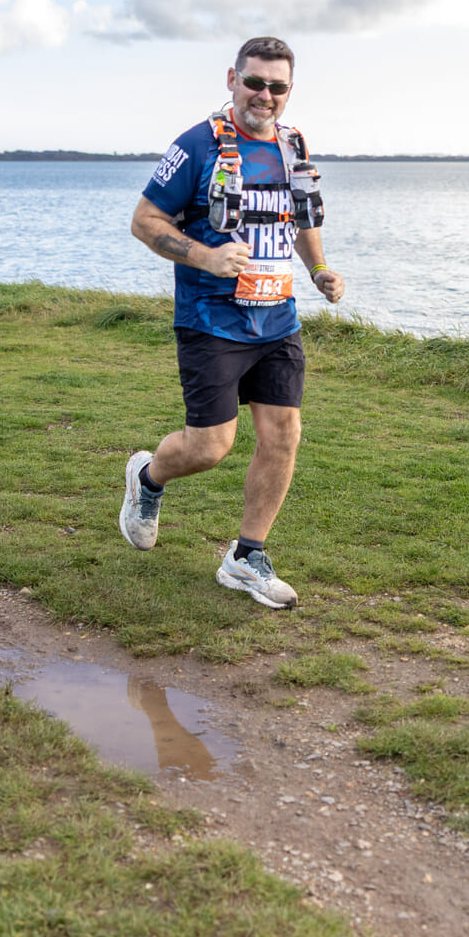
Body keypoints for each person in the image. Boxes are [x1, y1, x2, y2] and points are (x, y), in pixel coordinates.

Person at [118, 36, 345, 609]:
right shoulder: (197, 145)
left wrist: (319, 269)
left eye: (277, 86)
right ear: (231, 80)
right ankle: (147, 479)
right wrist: (207, 257)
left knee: (284, 435)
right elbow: (145, 221)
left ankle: (246, 557)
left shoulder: (293, 147)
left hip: (278, 321)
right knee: (210, 446)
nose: (265, 95)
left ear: (289, 91)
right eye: (254, 82)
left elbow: (301, 219)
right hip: (210, 321)